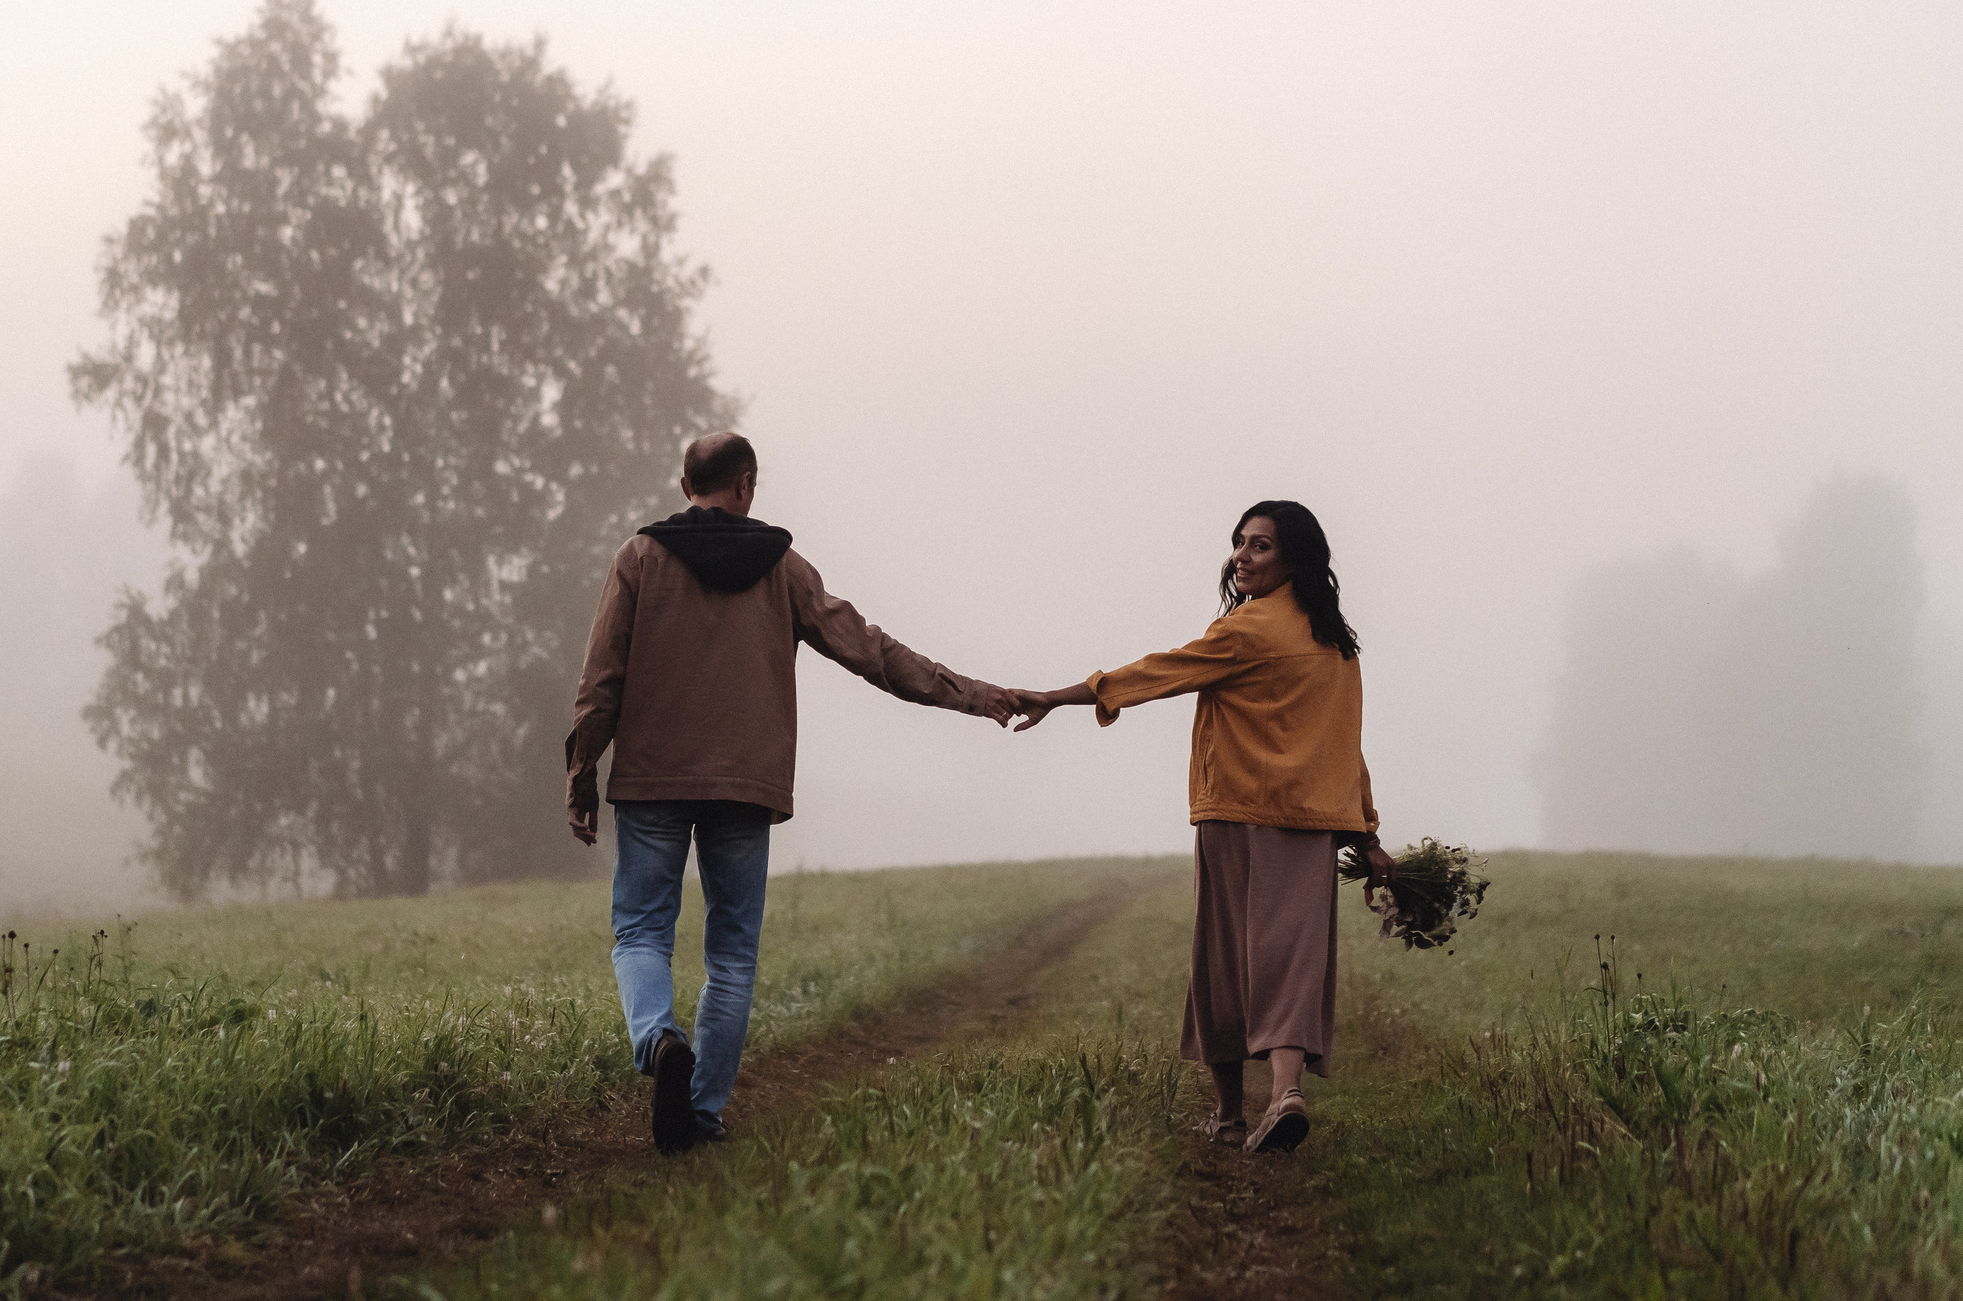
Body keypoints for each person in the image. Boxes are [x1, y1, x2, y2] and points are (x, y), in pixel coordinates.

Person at [567, 431, 1017, 1154]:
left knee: (642, 930)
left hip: (652, 779)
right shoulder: (782, 568)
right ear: (746, 484)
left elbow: (601, 681)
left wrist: (581, 770)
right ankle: (703, 1112)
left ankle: (658, 1042)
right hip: (747, 785)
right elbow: (872, 651)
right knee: (733, 954)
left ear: (686, 486)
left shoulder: (640, 557)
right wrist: (974, 694)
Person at [1009, 499, 1392, 1155]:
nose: (1242, 554)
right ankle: (1284, 1092)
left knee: (1223, 959)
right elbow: (1344, 745)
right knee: (1290, 960)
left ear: (1294, 558)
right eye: (1240, 542)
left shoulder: (1247, 630)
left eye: (1261, 545)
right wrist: (1368, 833)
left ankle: (1228, 1112)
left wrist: (1055, 696)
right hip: (1310, 823)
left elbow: (1155, 672)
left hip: (1237, 812)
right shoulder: (1336, 646)